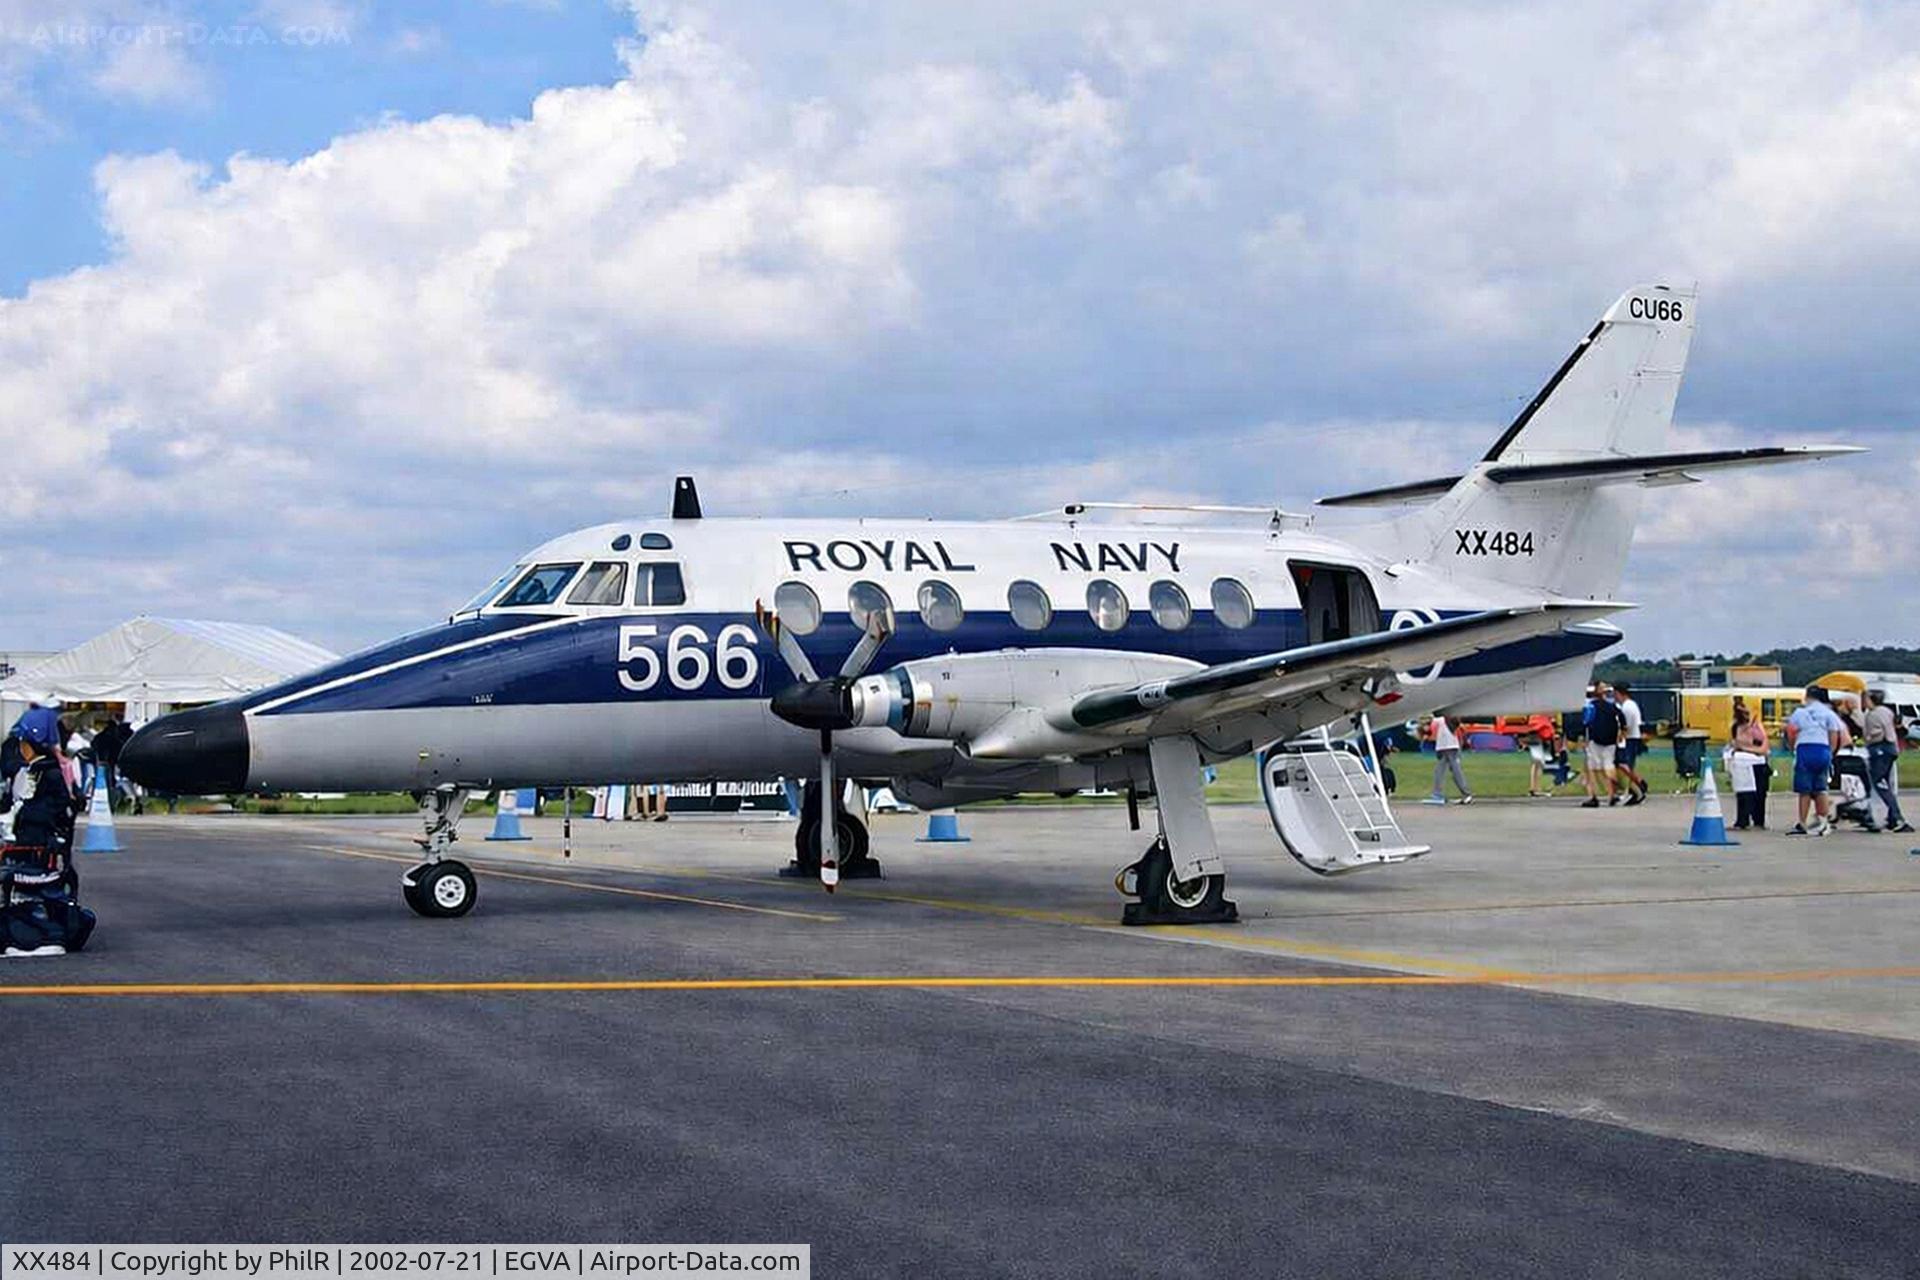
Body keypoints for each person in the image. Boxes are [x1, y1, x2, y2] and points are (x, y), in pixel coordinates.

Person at [1784, 687, 1850, 836]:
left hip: (1805, 749)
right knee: (1821, 788)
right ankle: (1823, 822)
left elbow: (1791, 731)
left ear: (1808, 697)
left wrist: (1792, 746)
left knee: (1804, 790)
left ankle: (1802, 822)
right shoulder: (1829, 714)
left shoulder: (1800, 712)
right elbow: (1834, 734)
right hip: (1822, 749)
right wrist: (1831, 752)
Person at [1864, 689, 1913, 834]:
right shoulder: (1887, 711)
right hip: (1891, 749)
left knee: (1879, 783)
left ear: (1871, 700)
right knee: (1886, 782)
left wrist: (1868, 738)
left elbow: (1877, 733)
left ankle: (1897, 817)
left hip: (1879, 749)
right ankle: (1892, 818)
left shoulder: (1873, 714)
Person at [1728, 701, 1772, 830]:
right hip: (1743, 762)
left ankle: (1758, 820)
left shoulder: (1756, 727)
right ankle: (1743, 820)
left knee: (1759, 793)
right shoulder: (1736, 727)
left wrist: (1745, 748)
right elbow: (1735, 745)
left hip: (1757, 763)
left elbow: (1763, 748)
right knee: (1743, 792)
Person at [1581, 683, 1624, 808]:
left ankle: (1593, 796)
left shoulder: (1591, 706)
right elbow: (1622, 719)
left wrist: (1582, 738)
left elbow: (1586, 722)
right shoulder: (1612, 707)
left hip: (1595, 740)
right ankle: (1612, 793)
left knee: (1592, 768)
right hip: (1610, 741)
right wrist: (1622, 733)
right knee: (1609, 765)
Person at [1423, 714, 1473, 805]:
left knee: (1450, 771)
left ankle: (1465, 794)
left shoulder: (1440, 720)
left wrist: (1426, 725)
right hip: (1450, 747)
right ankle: (1438, 793)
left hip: (1446, 747)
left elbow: (1429, 729)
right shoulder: (1447, 720)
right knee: (1445, 770)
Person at [1612, 682, 1648, 805]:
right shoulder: (1633, 705)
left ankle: (1638, 785)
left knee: (1623, 766)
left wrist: (1619, 739)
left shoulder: (1625, 708)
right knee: (1627, 767)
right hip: (1634, 737)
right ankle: (1633, 790)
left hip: (1627, 740)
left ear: (1618, 693)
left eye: (1614, 693)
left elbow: (1624, 726)